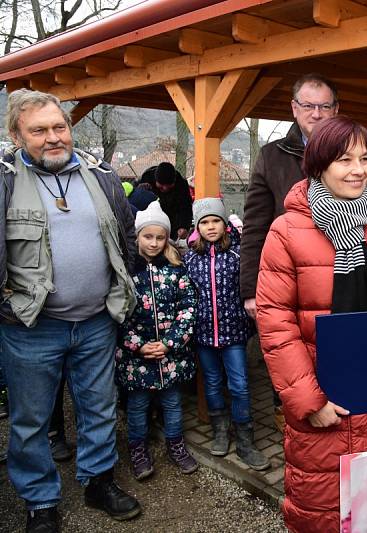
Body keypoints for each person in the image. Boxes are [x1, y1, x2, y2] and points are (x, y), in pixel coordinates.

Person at [256, 116, 367, 532]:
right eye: (344, 160)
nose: (359, 170)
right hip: (321, 412)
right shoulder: (286, 231)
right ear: (318, 165)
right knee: (322, 516)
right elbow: (276, 323)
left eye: (364, 158)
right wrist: (308, 401)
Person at [0, 89, 141, 531]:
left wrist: (120, 285)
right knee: (30, 420)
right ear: (17, 135)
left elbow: (125, 233)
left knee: (99, 408)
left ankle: (98, 481)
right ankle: (40, 501)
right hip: (31, 326)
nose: (53, 138)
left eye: (59, 127)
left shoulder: (99, 174)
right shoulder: (4, 180)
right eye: (39, 130)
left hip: (98, 321)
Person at [240, 73, 367, 432]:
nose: (317, 112)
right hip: (295, 278)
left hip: (357, 280)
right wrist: (251, 289)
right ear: (295, 109)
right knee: (299, 366)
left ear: (336, 108)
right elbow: (255, 226)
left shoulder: (362, 149)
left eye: (325, 105)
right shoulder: (272, 156)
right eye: (309, 105)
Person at [115, 202, 198, 480]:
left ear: (167, 238)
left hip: (170, 356)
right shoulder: (127, 273)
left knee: (172, 403)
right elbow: (119, 314)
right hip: (138, 358)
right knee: (137, 405)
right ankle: (138, 449)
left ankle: (176, 445)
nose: (154, 243)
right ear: (137, 237)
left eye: (160, 237)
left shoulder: (177, 270)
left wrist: (171, 342)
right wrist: (137, 344)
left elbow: (188, 308)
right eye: (148, 237)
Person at [184, 197, 268, 471]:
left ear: (224, 224)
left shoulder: (238, 254)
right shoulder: (190, 259)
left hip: (234, 333)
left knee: (240, 384)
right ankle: (220, 431)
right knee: (211, 382)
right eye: (204, 222)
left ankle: (245, 439)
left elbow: (250, 285)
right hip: (204, 332)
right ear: (198, 226)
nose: (210, 227)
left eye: (215, 221)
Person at [149, 162, 193, 240]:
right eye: (161, 185)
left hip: (172, 225)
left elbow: (186, 208)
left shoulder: (182, 185)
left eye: (169, 185)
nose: (165, 188)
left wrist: (184, 226)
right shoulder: (146, 182)